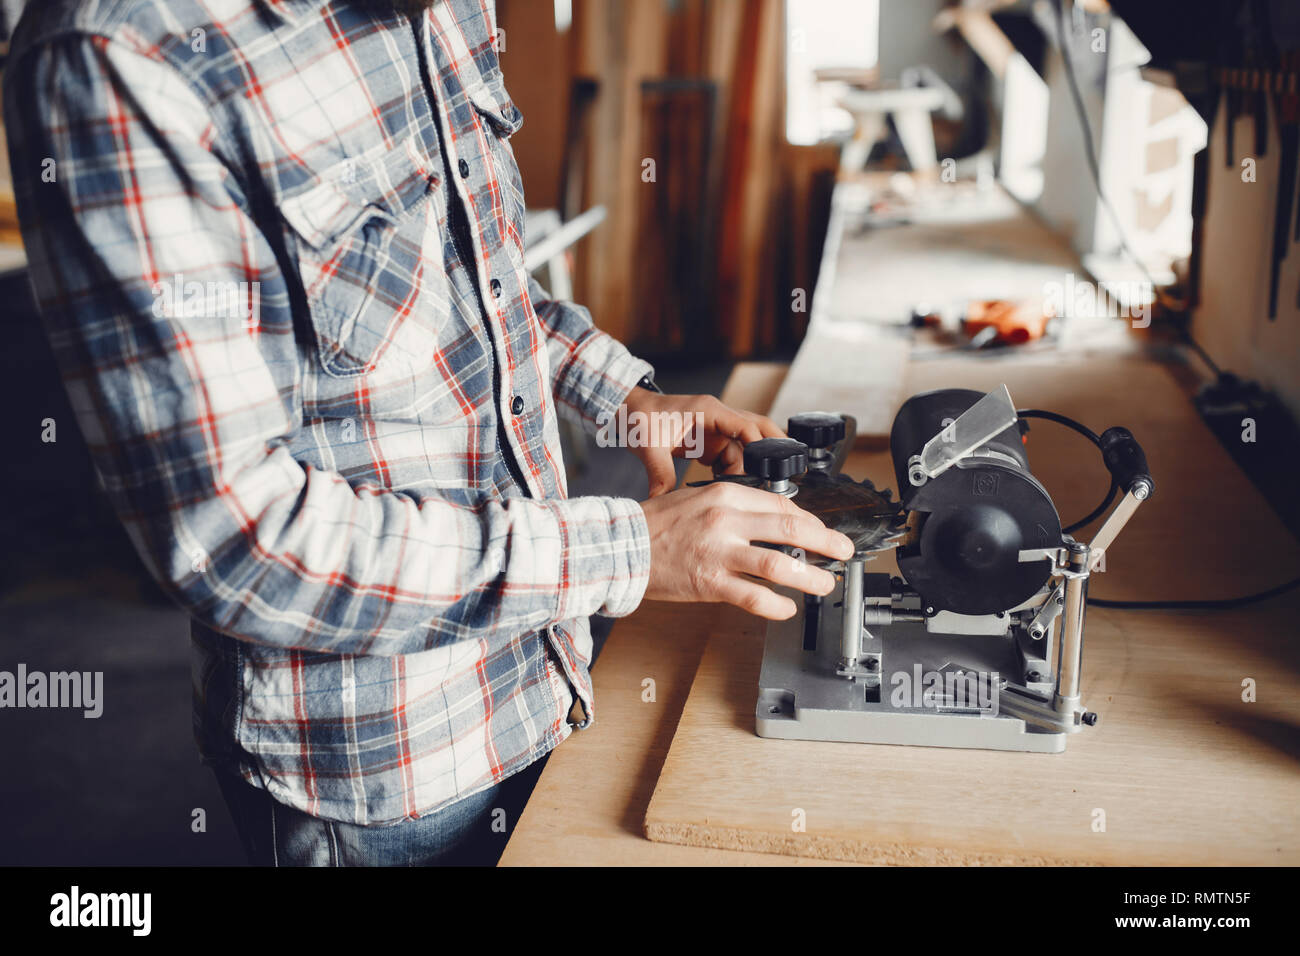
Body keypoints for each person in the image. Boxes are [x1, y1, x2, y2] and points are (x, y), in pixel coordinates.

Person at [5, 0, 852, 865]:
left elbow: (467, 277)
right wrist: (628, 549)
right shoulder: (116, 56)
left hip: (540, 680)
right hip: (383, 775)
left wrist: (626, 395)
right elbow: (235, 541)